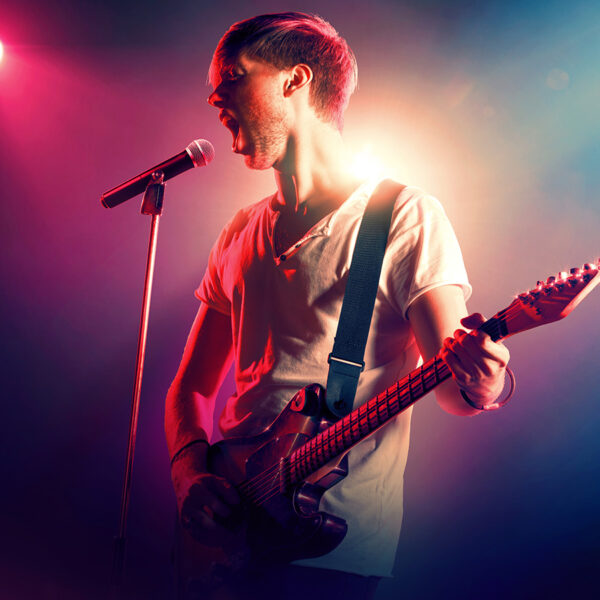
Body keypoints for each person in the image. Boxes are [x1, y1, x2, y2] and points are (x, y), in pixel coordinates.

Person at [165, 12, 510, 600]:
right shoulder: (239, 230)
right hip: (228, 536)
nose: (214, 95)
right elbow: (191, 387)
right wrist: (189, 474)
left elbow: (454, 390)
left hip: (330, 551)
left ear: (295, 80)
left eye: (233, 75)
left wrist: (487, 380)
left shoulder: (403, 216)